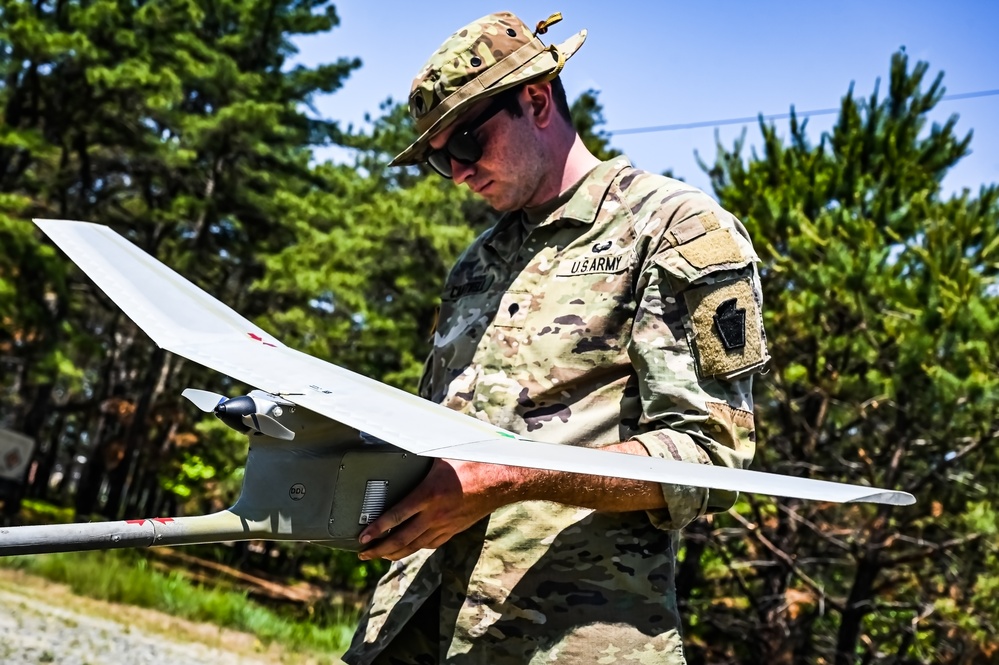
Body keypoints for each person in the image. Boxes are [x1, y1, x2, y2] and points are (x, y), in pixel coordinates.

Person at [342, 10, 769, 665]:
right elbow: (434, 440)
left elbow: (711, 457)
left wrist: (513, 476)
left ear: (535, 100)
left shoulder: (673, 228)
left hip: (563, 641)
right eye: (435, 160)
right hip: (407, 629)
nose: (456, 173)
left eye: (463, 145)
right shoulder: (476, 263)